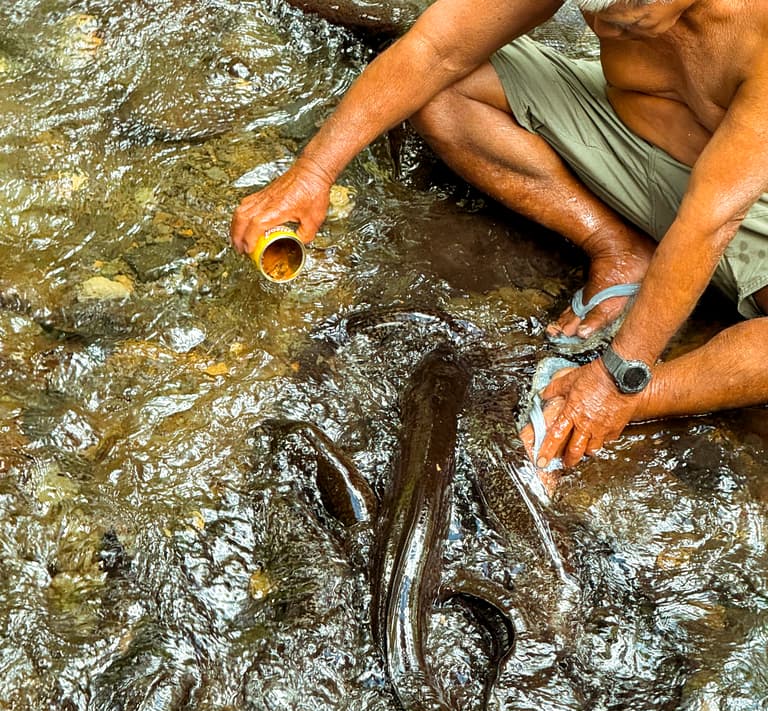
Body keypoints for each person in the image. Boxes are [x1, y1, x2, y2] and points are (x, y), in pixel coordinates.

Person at [230, 0, 768, 469]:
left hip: (748, 200)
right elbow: (435, 49)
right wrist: (313, 172)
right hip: (633, 134)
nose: (606, 29)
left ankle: (644, 397)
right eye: (597, 14)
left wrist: (618, 376)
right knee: (441, 89)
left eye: (628, 21)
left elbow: (710, 221)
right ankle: (619, 246)